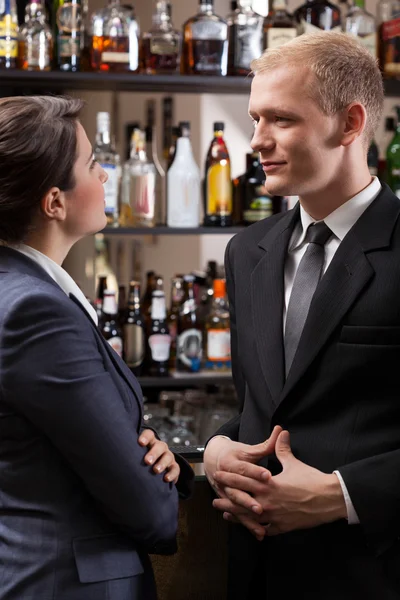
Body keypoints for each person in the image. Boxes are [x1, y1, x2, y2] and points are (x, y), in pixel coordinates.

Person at [203, 31, 400, 599]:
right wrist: (219, 448)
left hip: (373, 575)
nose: (256, 140)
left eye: (281, 120)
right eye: (255, 119)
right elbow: (267, 405)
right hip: (258, 573)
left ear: (349, 123)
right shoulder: (247, 251)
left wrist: (341, 494)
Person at [0, 95, 193, 600]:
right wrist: (163, 483)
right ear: (55, 202)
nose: (105, 175)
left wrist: (150, 450)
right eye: (91, 164)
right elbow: (147, 511)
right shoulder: (34, 312)